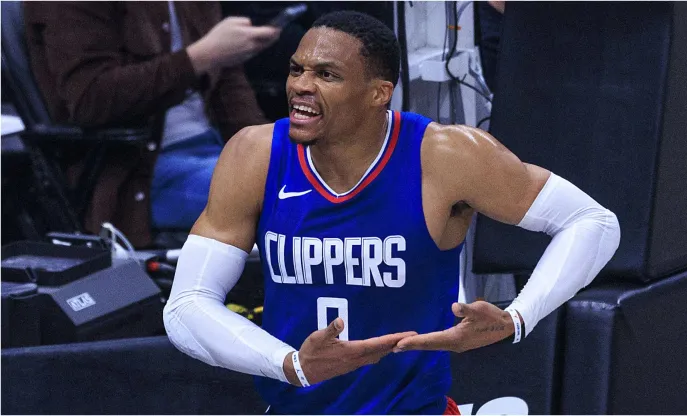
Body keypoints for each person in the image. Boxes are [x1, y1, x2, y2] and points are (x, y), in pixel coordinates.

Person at [163, 11, 621, 415]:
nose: (300, 85)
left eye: (326, 74)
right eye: (296, 69)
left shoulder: (445, 155)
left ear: (379, 93)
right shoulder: (255, 155)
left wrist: (520, 317)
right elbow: (186, 306)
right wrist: (292, 365)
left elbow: (594, 222)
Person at [24, 2, 280, 247]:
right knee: (294, 195)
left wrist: (266, 147)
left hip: (213, 150)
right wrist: (200, 57)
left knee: (310, 172)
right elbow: (90, 99)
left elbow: (227, 79)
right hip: (141, 172)